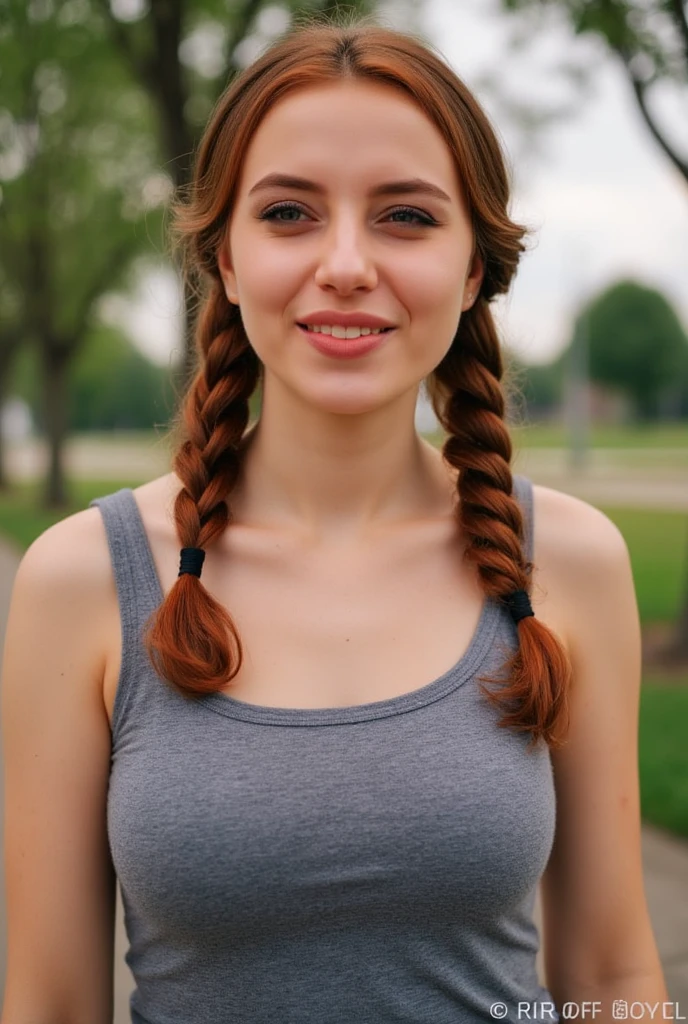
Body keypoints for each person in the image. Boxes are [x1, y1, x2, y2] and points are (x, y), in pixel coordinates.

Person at [1, 15, 670, 1024]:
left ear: (475, 266)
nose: (348, 262)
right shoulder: (81, 581)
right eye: (288, 213)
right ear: (223, 259)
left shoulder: (566, 561)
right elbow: (49, 1005)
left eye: (404, 216)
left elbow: (613, 981)